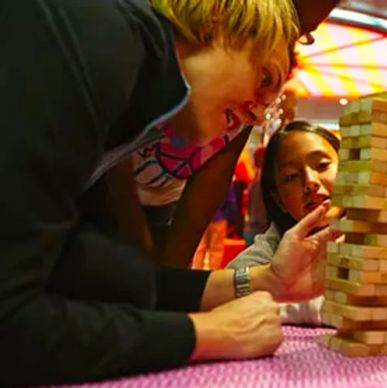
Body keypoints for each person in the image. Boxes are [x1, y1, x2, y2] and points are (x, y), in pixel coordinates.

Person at [0, 0, 334, 388]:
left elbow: (102, 285)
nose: (258, 115)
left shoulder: (132, 95)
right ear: (218, 16)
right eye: (264, 78)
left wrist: (268, 281)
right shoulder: (97, 38)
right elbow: (11, 321)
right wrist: (205, 334)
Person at [113, 0, 343, 268]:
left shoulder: (236, 108)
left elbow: (211, 182)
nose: (256, 115)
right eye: (291, 22)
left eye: (301, 34)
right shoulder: (126, 45)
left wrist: (165, 284)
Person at [229, 121, 387, 332]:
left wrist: (293, 298)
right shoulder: (278, 242)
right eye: (291, 176)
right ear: (278, 199)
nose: (310, 181)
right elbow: (229, 293)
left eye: (322, 165)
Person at [244, 146, 269, 246]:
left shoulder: (254, 179)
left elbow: (249, 206)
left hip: (251, 227)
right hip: (262, 229)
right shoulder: (266, 180)